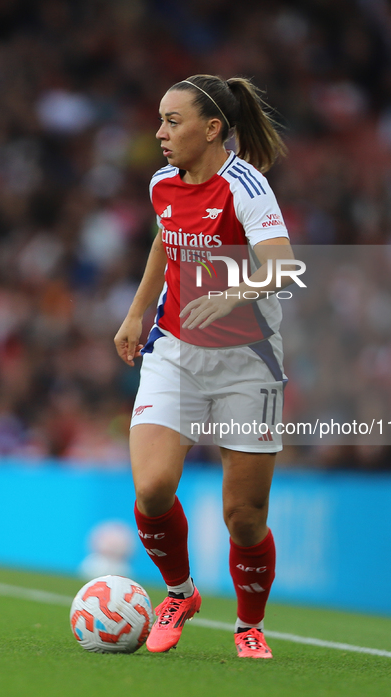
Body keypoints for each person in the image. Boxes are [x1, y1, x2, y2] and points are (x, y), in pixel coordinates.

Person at [114, 74, 294, 659]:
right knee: (153, 487)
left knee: (243, 518)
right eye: (161, 120)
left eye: (173, 121)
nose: (160, 133)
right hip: (174, 352)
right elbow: (165, 242)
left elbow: (283, 266)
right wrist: (137, 312)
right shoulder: (162, 182)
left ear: (212, 128)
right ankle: (179, 593)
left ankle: (249, 626)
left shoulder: (246, 186)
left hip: (247, 362)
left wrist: (232, 292)